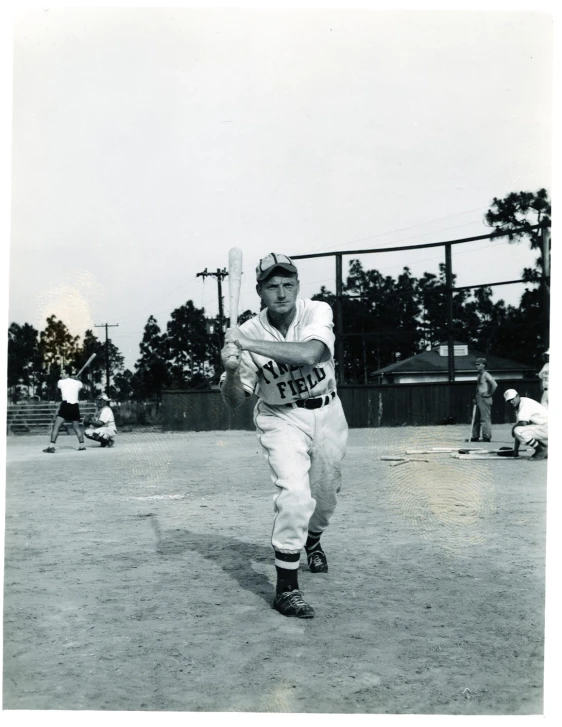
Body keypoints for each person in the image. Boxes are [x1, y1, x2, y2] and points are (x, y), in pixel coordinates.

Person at [220, 252, 349, 619]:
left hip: (326, 412)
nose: (281, 293)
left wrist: (245, 345)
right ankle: (286, 589)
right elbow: (233, 401)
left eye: (288, 284)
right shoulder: (246, 332)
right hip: (280, 417)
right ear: (259, 291)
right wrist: (231, 370)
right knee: (294, 493)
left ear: (297, 286)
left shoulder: (316, 312)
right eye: (272, 286)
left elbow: (311, 354)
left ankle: (314, 539)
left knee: (324, 499)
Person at [43, 365, 86, 453]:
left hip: (66, 405)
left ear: (67, 374)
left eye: (62, 373)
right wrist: (75, 380)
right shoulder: (78, 383)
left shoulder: (60, 382)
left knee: (56, 426)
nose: (61, 375)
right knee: (76, 427)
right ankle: (82, 445)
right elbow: (81, 386)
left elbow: (64, 385)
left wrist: (72, 380)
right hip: (75, 406)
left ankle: (51, 446)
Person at [503, 388, 548, 460]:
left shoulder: (524, 403)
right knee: (519, 430)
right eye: (509, 401)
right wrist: (515, 451)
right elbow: (519, 429)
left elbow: (521, 425)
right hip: (544, 428)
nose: (511, 402)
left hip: (546, 427)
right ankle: (544, 450)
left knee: (518, 430)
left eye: (512, 399)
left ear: (517, 396)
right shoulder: (520, 404)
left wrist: (513, 428)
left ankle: (541, 450)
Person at [470, 357, 497, 442]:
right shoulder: (479, 375)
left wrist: (489, 393)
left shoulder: (486, 374)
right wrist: (475, 397)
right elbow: (479, 387)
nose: (477, 366)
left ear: (483, 365)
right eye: (476, 365)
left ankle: (486, 436)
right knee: (476, 418)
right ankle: (475, 436)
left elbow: (495, 385)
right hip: (479, 398)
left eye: (478, 365)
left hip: (485, 399)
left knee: (485, 418)